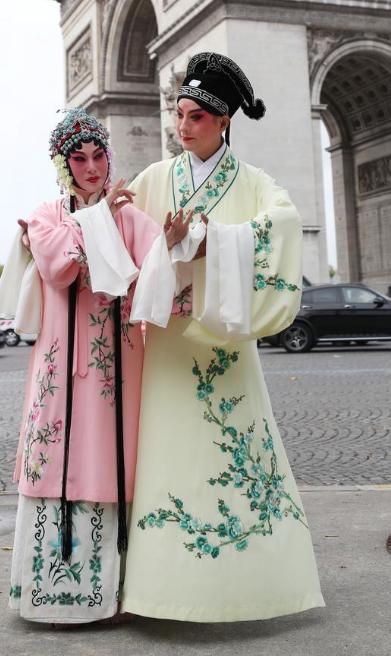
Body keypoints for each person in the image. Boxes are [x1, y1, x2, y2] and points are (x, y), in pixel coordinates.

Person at [121, 52, 325, 621]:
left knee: (235, 452)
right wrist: (107, 213)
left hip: (223, 343)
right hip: (167, 343)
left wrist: (215, 241)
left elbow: (283, 225)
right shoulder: (156, 179)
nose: (182, 127)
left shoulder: (256, 184)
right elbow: (124, 235)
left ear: (224, 122)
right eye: (179, 115)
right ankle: (159, 590)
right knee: (169, 454)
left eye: (195, 118)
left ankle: (253, 586)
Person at [0, 109, 190, 624]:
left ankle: (117, 592)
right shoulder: (45, 217)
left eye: (99, 155)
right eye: (79, 159)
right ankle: (52, 594)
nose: (92, 167)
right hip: (60, 371)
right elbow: (60, 268)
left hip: (117, 372)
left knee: (113, 459)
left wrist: (171, 242)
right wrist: (100, 219)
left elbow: (159, 280)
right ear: (63, 165)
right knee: (56, 456)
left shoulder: (132, 218)